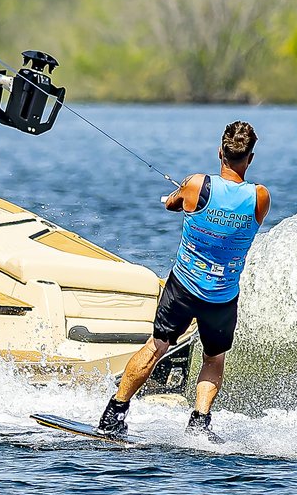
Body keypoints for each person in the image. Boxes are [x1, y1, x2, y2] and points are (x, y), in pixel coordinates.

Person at [99, 121, 269, 439]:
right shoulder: (260, 197)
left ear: (220, 152)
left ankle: (114, 413)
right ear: (250, 158)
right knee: (213, 357)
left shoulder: (196, 184)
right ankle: (199, 423)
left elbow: (172, 204)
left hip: (183, 287)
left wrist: (177, 197)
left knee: (156, 346)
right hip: (222, 295)